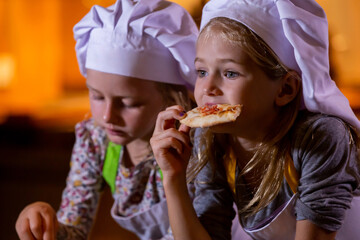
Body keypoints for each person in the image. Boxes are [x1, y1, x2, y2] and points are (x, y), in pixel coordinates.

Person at [150, 0, 360, 239]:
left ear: (285, 90)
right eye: (201, 72)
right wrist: (173, 178)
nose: (207, 88)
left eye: (230, 73)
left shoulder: (321, 136)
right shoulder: (212, 140)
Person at [15, 0, 198, 239]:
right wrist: (43, 224)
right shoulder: (95, 139)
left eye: (129, 103)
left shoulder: (193, 144)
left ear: (171, 99)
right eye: (97, 96)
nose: (106, 116)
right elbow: (75, 229)